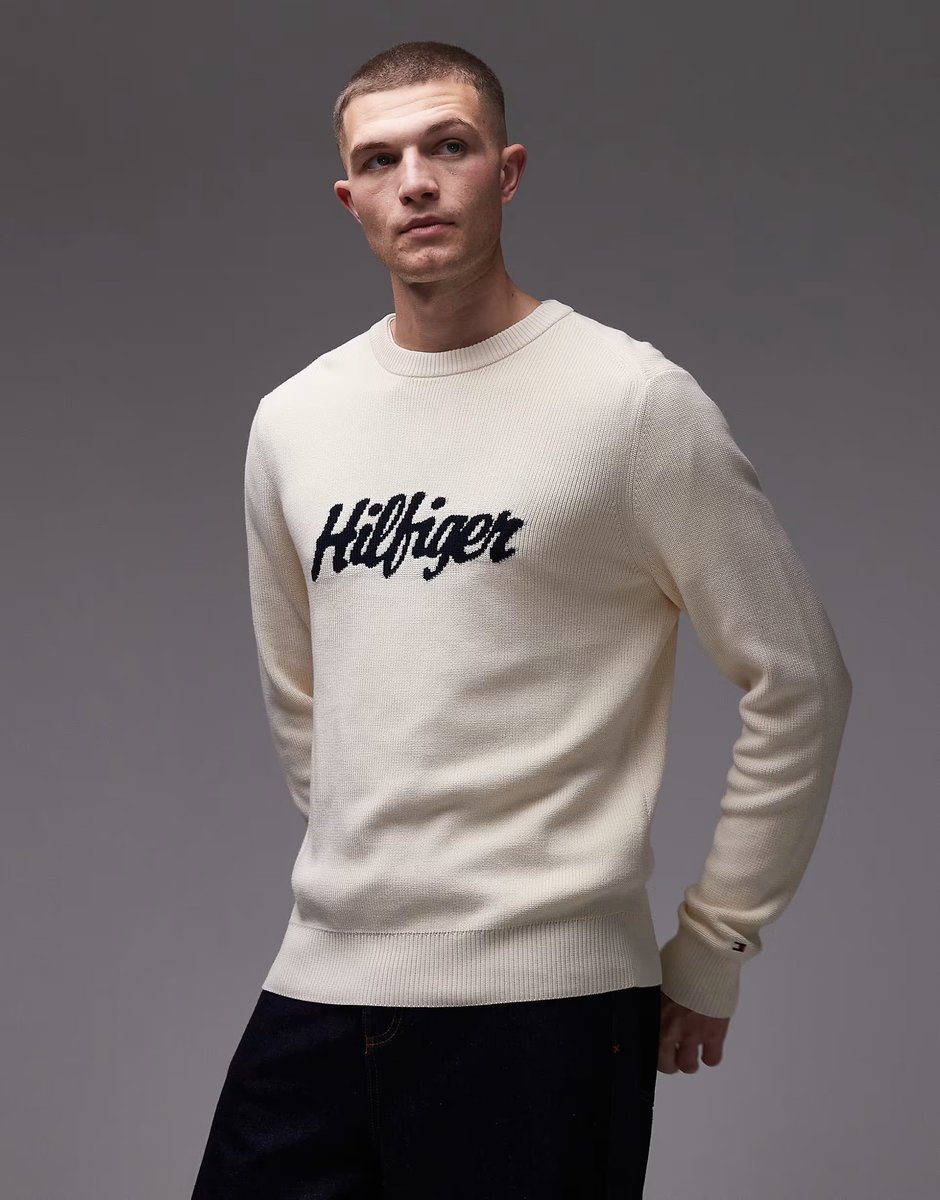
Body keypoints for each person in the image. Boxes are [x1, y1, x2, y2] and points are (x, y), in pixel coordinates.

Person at [191, 39, 852, 1200]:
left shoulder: (631, 405)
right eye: (380, 160)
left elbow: (799, 679)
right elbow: (306, 705)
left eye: (447, 147)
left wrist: (715, 943)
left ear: (506, 171)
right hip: (323, 985)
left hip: (549, 1009)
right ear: (349, 200)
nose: (415, 182)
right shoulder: (293, 422)